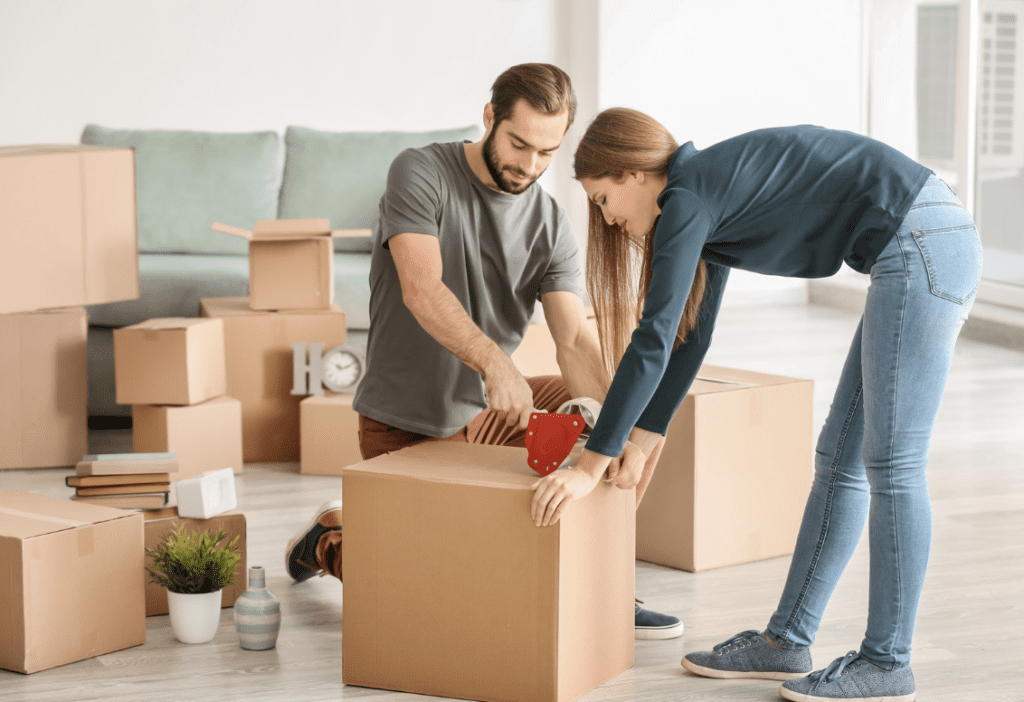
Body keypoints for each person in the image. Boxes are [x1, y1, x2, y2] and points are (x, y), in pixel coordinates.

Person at [531, 107, 982, 702]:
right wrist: (643, 436)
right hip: (918, 241)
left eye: (604, 198)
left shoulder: (688, 197)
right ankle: (787, 642)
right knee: (838, 461)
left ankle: (887, 661)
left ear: (634, 175)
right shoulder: (706, 197)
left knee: (892, 465)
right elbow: (691, 338)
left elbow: (654, 336)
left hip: (923, 240)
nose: (608, 220)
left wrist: (591, 462)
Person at [284, 66, 683, 639]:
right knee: (443, 601)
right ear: (490, 117)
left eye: (547, 151)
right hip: (409, 425)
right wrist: (496, 362)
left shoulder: (549, 223)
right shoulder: (420, 172)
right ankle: (330, 538)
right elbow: (422, 289)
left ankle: (602, 579)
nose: (530, 165)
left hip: (495, 415)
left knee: (630, 411)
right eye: (519, 143)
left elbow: (572, 338)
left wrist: (611, 432)